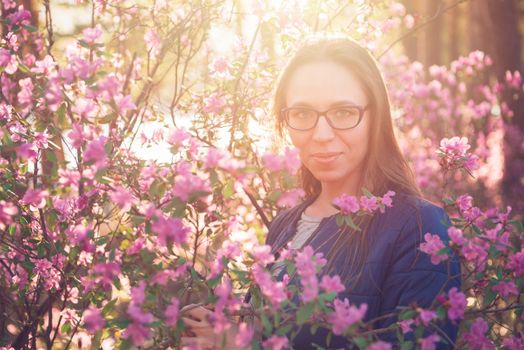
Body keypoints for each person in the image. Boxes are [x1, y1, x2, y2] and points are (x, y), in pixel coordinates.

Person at [181, 36, 461, 349]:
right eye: (302, 114)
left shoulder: (420, 227)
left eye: (343, 112)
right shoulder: (285, 226)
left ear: (375, 117)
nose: (322, 135)